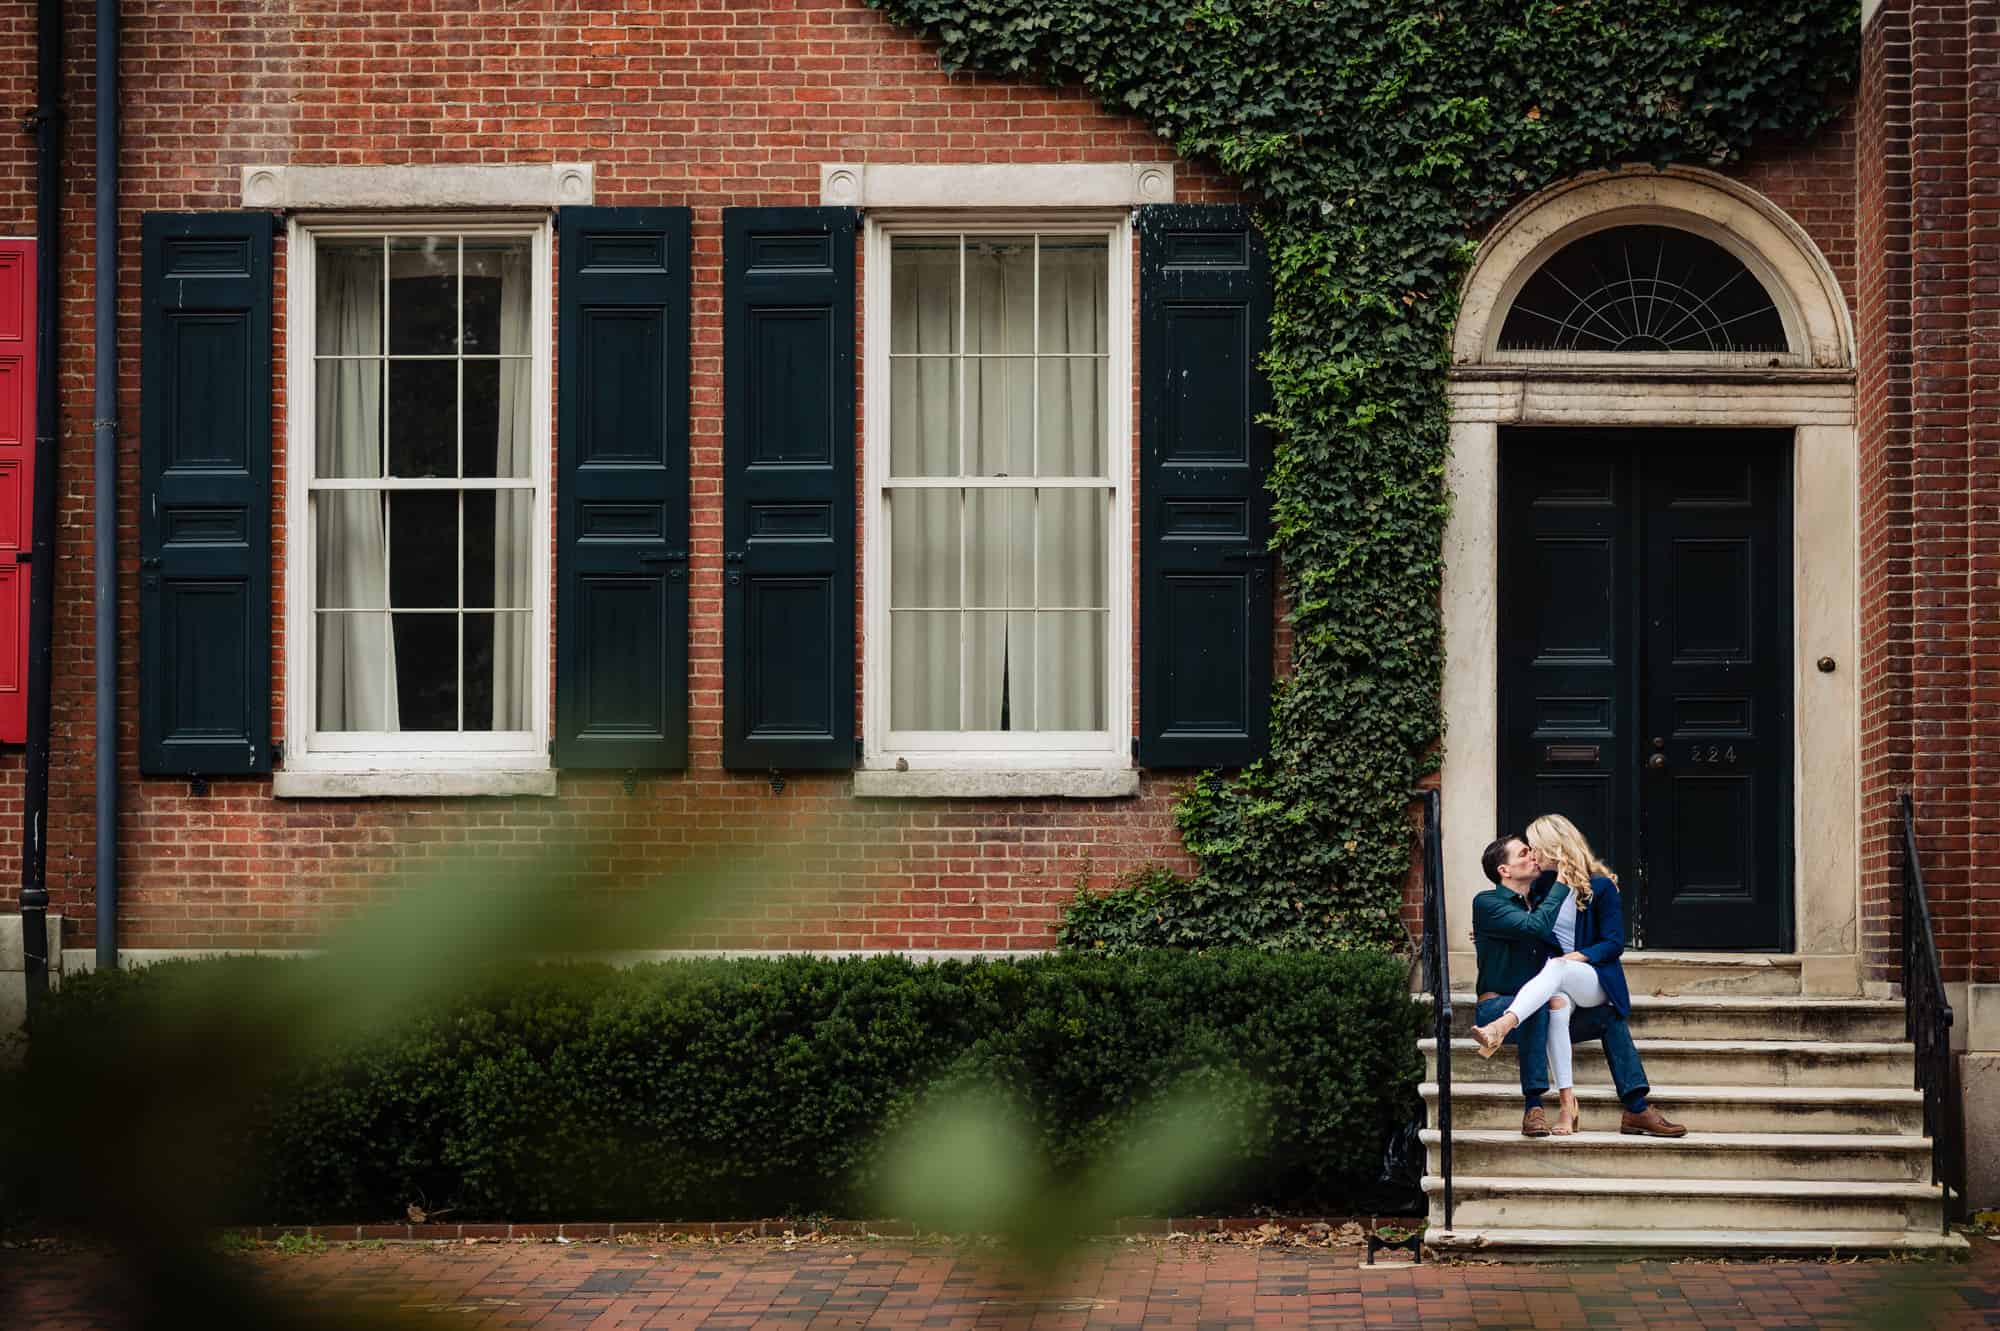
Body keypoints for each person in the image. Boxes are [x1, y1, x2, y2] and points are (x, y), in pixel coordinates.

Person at [1469, 828, 1685, 1139]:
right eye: (1524, 853)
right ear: (1504, 870)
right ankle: (1533, 1106)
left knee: (1603, 1016)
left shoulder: (1540, 897)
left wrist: (1584, 879)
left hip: (1544, 999)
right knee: (1543, 1005)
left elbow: (1599, 935)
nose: (1532, 856)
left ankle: (1634, 1107)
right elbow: (1534, 926)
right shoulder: (1490, 902)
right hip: (1497, 1004)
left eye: (1534, 850)